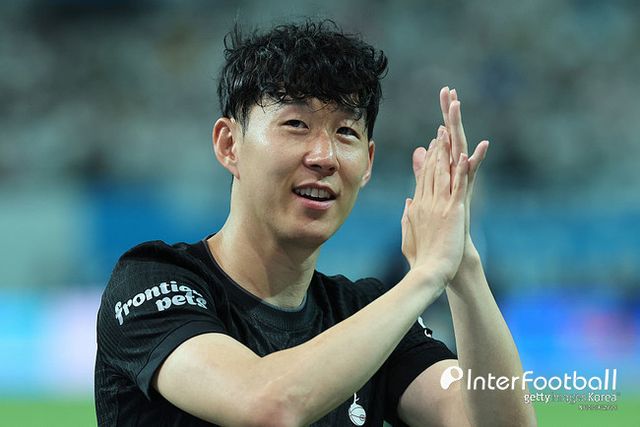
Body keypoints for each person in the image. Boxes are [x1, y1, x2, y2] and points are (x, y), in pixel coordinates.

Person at [94, 20, 536, 426]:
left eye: (346, 132)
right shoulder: (153, 282)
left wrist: (462, 266)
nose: (324, 157)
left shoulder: (361, 312)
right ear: (229, 145)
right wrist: (425, 275)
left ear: (368, 163)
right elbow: (266, 406)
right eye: (296, 124)